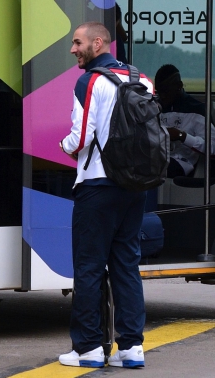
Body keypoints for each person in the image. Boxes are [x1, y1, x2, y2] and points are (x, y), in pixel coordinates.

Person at [58, 22, 148, 368]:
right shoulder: (142, 80)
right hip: (134, 187)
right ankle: (132, 349)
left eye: (77, 43)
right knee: (126, 264)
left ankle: (89, 349)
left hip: (97, 186)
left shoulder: (90, 81)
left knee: (90, 267)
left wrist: (63, 146)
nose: (73, 49)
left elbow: (80, 137)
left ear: (98, 43)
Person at [155, 64, 215, 178]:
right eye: (159, 92)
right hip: (154, 157)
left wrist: (182, 136)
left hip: (182, 162)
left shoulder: (196, 110)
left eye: (166, 91)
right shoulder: (154, 108)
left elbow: (213, 147)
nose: (162, 96)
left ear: (179, 86)